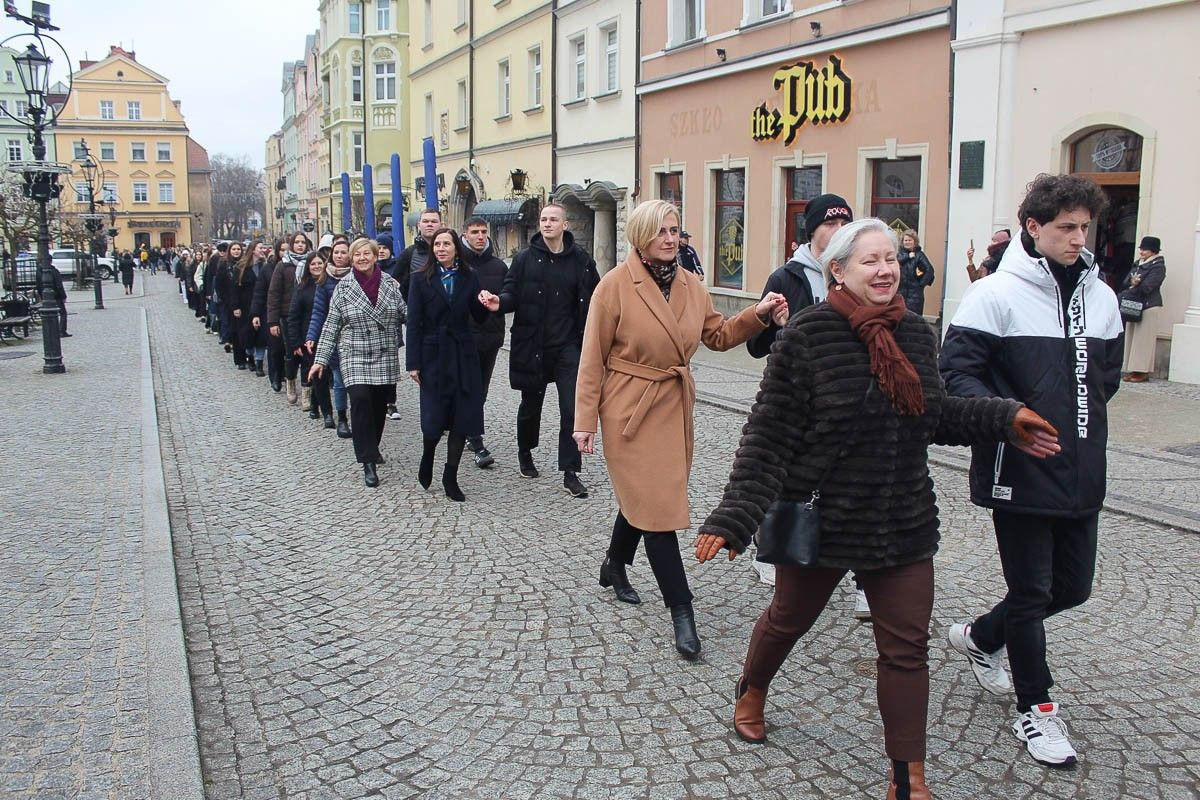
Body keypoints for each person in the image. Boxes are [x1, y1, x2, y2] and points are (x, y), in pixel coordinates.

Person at [695, 217, 1060, 798]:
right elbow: (769, 437)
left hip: (900, 521)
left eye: (890, 258)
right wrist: (736, 516)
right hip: (824, 519)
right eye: (871, 261)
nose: (887, 269)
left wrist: (1003, 418)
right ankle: (752, 688)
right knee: (789, 618)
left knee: (906, 650)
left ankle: (906, 777)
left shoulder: (916, 334)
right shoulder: (806, 337)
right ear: (837, 270)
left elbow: (936, 415)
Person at [939, 174, 1122, 769]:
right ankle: (1037, 710)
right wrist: (1010, 413)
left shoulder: (1102, 296)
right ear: (1034, 228)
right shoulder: (994, 294)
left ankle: (982, 637)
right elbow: (954, 377)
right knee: (1031, 591)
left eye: (1084, 227)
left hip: (1081, 468)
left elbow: (1106, 381)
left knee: (1072, 589)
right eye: (1066, 227)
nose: (1077, 238)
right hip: (1014, 465)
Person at [573, 199, 788, 659]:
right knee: (659, 509)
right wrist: (583, 421)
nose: (671, 238)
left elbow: (718, 336)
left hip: (673, 406)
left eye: (675, 229)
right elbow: (591, 357)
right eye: (661, 231)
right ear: (641, 236)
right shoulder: (614, 286)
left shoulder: (692, 285)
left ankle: (614, 564)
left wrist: (759, 314)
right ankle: (682, 610)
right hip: (628, 408)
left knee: (647, 499)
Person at [745, 193, 855, 597]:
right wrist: (775, 324)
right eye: (830, 224)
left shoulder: (854, 274)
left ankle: (858, 569)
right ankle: (767, 552)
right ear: (813, 230)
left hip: (843, 399)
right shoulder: (786, 277)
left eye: (845, 223)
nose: (839, 231)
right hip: (794, 398)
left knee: (846, 478)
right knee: (783, 477)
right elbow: (755, 346)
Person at [479, 203, 599, 498]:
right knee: (531, 406)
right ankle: (525, 451)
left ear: (565, 224)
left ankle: (570, 472)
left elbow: (598, 297)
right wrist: (499, 303)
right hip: (533, 344)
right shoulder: (524, 259)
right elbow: (511, 293)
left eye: (553, 219)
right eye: (544, 219)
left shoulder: (581, 260)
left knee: (571, 409)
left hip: (569, 346)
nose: (547, 224)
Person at [311, 238, 406, 487]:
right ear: (351, 259)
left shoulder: (390, 284)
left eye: (367, 254)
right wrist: (320, 360)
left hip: (384, 353)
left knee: (377, 405)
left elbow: (407, 314)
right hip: (354, 353)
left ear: (376, 256)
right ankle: (367, 461)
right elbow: (331, 325)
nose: (362, 258)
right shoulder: (343, 288)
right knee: (361, 400)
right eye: (357, 255)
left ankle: (372, 445)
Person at [407, 227, 491, 500]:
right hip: (433, 355)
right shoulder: (420, 279)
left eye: (447, 244)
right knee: (433, 419)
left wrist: (485, 303)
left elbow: (478, 317)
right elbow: (414, 323)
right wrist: (413, 363)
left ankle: (450, 475)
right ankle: (428, 454)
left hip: (462, 355)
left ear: (457, 248)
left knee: (461, 416)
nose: (441, 248)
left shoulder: (470, 277)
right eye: (437, 244)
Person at [461, 216, 508, 468]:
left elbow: (509, 296)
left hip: (490, 337)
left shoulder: (499, 267)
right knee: (468, 388)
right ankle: (475, 438)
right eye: (474, 232)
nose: (480, 236)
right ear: (465, 234)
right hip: (462, 339)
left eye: (483, 232)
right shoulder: (456, 265)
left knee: (481, 390)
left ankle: (470, 430)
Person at [307, 236, 354, 438]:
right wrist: (312, 335)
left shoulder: (358, 275)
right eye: (337, 252)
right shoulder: (325, 279)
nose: (340, 256)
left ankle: (362, 417)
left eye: (344, 252)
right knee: (339, 381)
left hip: (356, 337)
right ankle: (342, 417)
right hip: (334, 337)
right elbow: (318, 312)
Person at [290, 248, 334, 429]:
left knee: (328, 374)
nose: (316, 266)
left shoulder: (329, 283)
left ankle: (317, 404)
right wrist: (295, 342)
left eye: (319, 263)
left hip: (331, 334)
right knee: (319, 376)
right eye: (313, 264)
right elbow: (293, 317)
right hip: (311, 338)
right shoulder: (302, 288)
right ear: (308, 267)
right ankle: (327, 412)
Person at [268, 232, 310, 403]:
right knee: (292, 352)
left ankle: (307, 390)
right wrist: (272, 320)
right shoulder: (283, 266)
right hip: (287, 316)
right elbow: (274, 294)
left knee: (308, 353)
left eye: (303, 242)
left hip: (307, 314)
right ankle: (291, 381)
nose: (300, 245)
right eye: (297, 242)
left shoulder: (311, 262)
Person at [1119, 235, 1166, 383]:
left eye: (1145, 249)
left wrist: (1137, 283)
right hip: (1134, 304)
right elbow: (1125, 282)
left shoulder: (1158, 266)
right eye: (1141, 249)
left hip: (1148, 305)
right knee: (1132, 337)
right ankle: (1132, 368)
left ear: (1153, 251)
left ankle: (1142, 371)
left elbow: (1149, 287)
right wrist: (1131, 282)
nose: (1142, 252)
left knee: (1143, 339)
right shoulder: (1137, 264)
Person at [233, 242, 269, 374]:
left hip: (262, 305)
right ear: (253, 250)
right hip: (245, 306)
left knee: (261, 335)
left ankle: (259, 363)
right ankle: (250, 357)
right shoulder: (240, 267)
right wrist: (235, 306)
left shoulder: (265, 266)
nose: (263, 250)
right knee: (248, 335)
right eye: (261, 248)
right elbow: (235, 289)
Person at [392, 208, 441, 301]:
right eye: (425, 221)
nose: (430, 224)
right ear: (419, 225)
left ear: (441, 225)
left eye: (434, 221)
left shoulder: (451, 252)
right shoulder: (408, 254)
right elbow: (397, 285)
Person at [897, 229, 935, 317]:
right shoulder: (899, 254)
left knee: (914, 319)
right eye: (905, 240)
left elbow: (929, 270)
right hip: (899, 293)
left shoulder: (919, 255)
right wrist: (907, 257)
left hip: (915, 295)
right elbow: (895, 264)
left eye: (910, 240)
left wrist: (920, 284)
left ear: (914, 241)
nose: (907, 242)